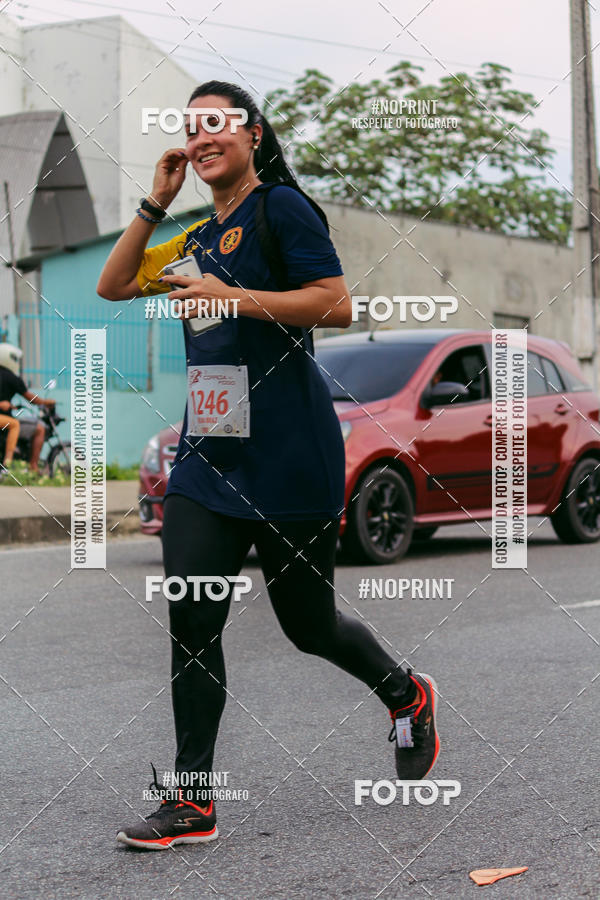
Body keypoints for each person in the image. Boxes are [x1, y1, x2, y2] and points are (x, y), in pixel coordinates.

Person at [97, 81, 440, 851]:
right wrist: (155, 201)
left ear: (253, 133)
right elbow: (113, 284)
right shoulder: (194, 238)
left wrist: (232, 297)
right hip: (209, 458)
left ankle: (406, 694)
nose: (200, 137)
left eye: (215, 123)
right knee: (193, 615)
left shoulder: (281, 208)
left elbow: (336, 303)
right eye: (190, 128)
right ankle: (193, 800)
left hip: (290, 454)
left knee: (308, 626)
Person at [0, 342, 55, 476]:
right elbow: (32, 398)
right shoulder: (12, 378)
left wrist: (8, 405)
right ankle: (11, 464)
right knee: (23, 425)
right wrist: (45, 402)